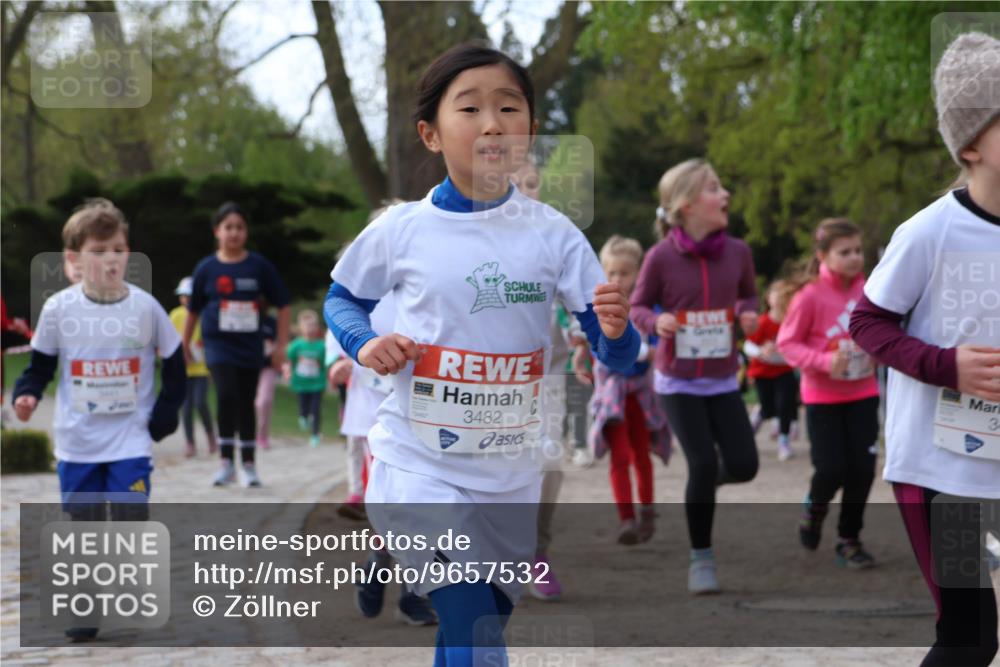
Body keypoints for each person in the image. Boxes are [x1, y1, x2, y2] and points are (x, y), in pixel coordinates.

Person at [324, 42, 639, 666]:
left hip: (508, 473)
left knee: (477, 626)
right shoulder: (401, 229)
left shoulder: (555, 236)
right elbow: (341, 298)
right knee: (477, 632)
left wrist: (619, 331)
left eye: (510, 108)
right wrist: (366, 344)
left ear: (530, 129)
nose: (493, 123)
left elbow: (617, 356)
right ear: (431, 134)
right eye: (469, 109)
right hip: (419, 464)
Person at [850, 31, 1000, 667]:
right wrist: (947, 365)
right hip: (946, 471)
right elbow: (866, 322)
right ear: (970, 146)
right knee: (970, 637)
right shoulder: (930, 231)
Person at [12, 199, 185, 641]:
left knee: (130, 517)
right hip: (78, 441)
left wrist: (165, 413)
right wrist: (27, 394)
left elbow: (176, 360)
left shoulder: (145, 308)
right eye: (100, 250)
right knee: (85, 525)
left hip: (130, 437)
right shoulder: (59, 310)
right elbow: (40, 366)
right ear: (73, 258)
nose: (111, 258)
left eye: (119, 248)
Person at [630, 158, 760, 594]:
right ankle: (701, 559)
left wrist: (747, 315)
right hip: (677, 381)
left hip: (723, 377)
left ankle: (705, 481)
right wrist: (656, 323)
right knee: (702, 462)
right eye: (714, 188)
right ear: (686, 205)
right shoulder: (660, 257)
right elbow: (637, 307)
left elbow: (748, 297)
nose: (724, 195)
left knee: (744, 465)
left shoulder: (738, 252)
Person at [776, 218, 880, 568]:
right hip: (822, 398)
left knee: (863, 470)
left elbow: (884, 331)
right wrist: (822, 360)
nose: (854, 258)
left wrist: (878, 351)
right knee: (832, 468)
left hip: (863, 392)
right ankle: (814, 508)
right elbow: (786, 343)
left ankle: (848, 539)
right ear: (822, 255)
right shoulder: (809, 296)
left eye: (857, 250)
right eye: (844, 252)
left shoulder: (871, 289)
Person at [184, 202, 290, 488]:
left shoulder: (258, 266)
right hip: (218, 345)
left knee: (245, 402)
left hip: (250, 346)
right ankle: (226, 462)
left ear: (246, 232)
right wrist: (185, 343)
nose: (234, 233)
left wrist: (280, 345)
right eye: (228, 227)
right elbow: (193, 309)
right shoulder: (206, 268)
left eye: (239, 227)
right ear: (217, 231)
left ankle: (249, 464)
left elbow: (283, 305)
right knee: (226, 394)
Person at [581, 235, 671, 545]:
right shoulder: (598, 307)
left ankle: (646, 509)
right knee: (619, 457)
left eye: (625, 272)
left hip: (642, 395)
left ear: (638, 273)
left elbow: (660, 347)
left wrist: (649, 352)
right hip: (612, 396)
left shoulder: (647, 309)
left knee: (641, 455)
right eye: (612, 272)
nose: (618, 279)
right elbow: (595, 346)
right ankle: (626, 519)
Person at [744, 279, 799, 461]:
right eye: (778, 294)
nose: (782, 299)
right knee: (768, 408)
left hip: (784, 370)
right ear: (768, 299)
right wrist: (761, 351)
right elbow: (747, 345)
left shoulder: (793, 322)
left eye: (786, 295)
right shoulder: (762, 322)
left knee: (785, 405)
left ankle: (784, 442)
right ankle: (753, 425)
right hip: (762, 372)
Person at [169, 277, 217, 457]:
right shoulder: (176, 315)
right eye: (183, 296)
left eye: (189, 295)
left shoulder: (205, 315)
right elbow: (169, 339)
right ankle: (190, 442)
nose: (186, 299)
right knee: (186, 407)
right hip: (183, 370)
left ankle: (211, 435)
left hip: (202, 369)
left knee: (200, 402)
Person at [285, 309, 328, 447]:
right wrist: (288, 372)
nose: (310, 329)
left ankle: (315, 434)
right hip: (301, 383)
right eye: (307, 325)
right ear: (301, 327)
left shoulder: (322, 346)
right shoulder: (296, 345)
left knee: (316, 409)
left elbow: (325, 363)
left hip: (317, 383)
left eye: (313, 325)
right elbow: (289, 360)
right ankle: (303, 417)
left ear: (317, 327)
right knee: (303, 406)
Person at [255, 303, 279, 450]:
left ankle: (262, 434)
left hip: (268, 366)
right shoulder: (246, 318)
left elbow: (279, 341)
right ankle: (247, 432)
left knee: (264, 401)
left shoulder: (272, 322)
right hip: (248, 364)